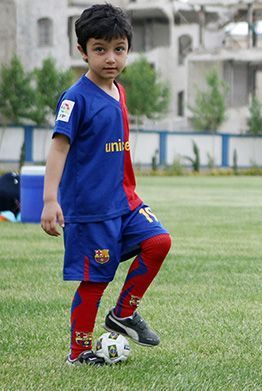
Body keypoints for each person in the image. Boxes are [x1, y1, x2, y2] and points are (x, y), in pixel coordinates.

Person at [40, 4, 172, 365]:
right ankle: (78, 352)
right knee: (95, 279)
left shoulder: (120, 91)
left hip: (124, 200)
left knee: (159, 241)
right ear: (82, 51)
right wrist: (50, 200)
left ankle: (123, 314)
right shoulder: (75, 98)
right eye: (100, 49)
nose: (110, 58)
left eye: (119, 49)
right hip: (91, 209)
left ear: (128, 49)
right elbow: (58, 147)